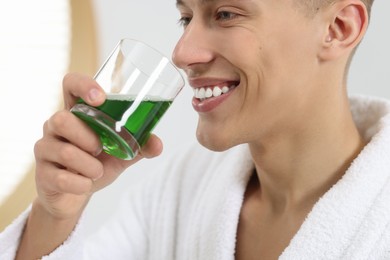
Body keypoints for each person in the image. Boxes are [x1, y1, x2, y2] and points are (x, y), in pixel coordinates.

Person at [1, 0, 389, 259]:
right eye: (186, 18)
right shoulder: (183, 190)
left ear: (339, 28)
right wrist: (55, 213)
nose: (183, 53)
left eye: (226, 14)